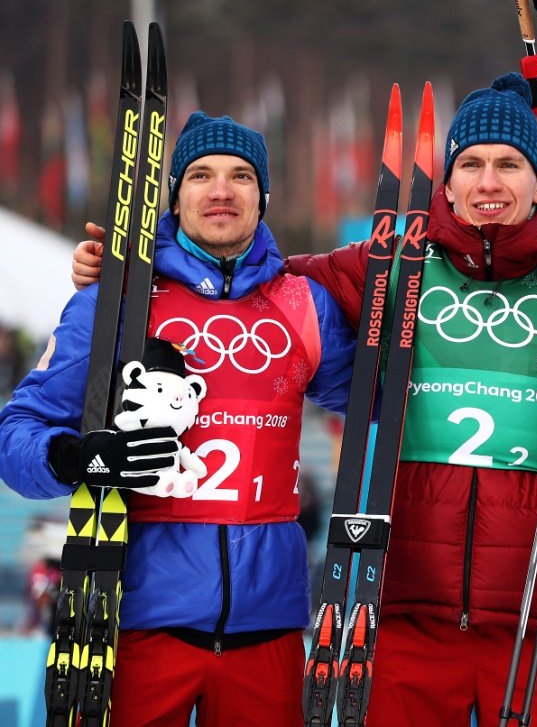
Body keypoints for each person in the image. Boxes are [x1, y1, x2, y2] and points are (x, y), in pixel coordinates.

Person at [70, 75, 537, 725]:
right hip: (406, 604)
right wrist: (136, 263)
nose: (489, 182)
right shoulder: (390, 265)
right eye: (471, 164)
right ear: (446, 184)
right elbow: (260, 273)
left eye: (509, 164)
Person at [1, 112, 357, 725]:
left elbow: (383, 402)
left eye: (241, 176)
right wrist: (77, 456)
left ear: (263, 196)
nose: (221, 191)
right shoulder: (116, 301)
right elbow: (17, 436)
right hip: (141, 625)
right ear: (174, 196)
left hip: (269, 628)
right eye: (200, 175)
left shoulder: (305, 304)